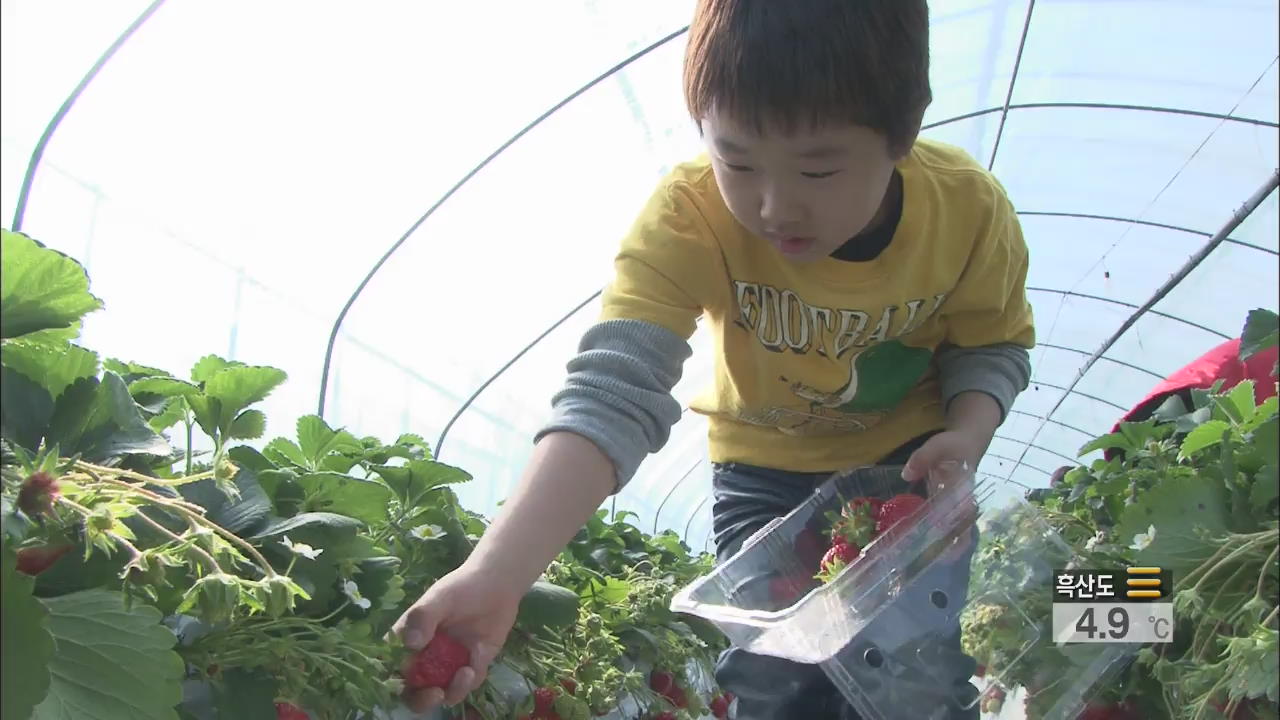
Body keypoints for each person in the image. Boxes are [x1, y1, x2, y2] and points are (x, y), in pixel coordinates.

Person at [393, 1, 1035, 717]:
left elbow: (993, 341)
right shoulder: (688, 217)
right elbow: (614, 392)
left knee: (917, 671)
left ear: (901, 134)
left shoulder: (968, 213)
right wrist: (497, 573)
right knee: (777, 677)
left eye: (818, 171)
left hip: (910, 467)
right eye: (737, 160)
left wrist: (967, 434)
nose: (773, 207)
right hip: (764, 473)